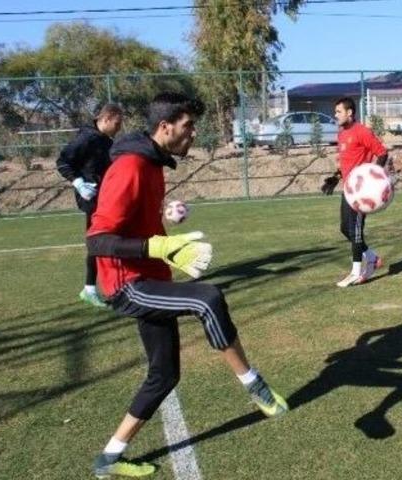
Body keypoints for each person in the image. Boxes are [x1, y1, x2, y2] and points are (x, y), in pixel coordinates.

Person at [85, 92, 288, 477]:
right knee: (207, 298)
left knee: (165, 375)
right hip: (128, 283)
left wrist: (163, 217)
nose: (193, 133)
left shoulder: (151, 164)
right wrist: (159, 244)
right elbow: (97, 240)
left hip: (150, 277)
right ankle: (254, 385)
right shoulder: (129, 166)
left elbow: (135, 216)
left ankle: (109, 457)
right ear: (165, 127)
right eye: (188, 125)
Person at [57, 103, 124, 308]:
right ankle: (94, 289)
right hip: (92, 199)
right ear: (105, 119)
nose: (119, 127)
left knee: (111, 240)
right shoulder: (87, 138)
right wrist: (78, 183)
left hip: (105, 198)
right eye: (117, 122)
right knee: (100, 242)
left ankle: (105, 287)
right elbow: (63, 161)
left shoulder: (104, 140)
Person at [321, 97, 389, 287]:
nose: (335, 115)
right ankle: (373, 258)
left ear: (350, 113)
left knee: (356, 230)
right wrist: (335, 178)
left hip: (361, 193)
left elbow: (382, 153)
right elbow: (346, 163)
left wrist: (374, 177)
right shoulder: (342, 134)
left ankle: (355, 271)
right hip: (347, 189)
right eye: (335, 112)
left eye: (338, 112)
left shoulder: (362, 131)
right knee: (345, 229)